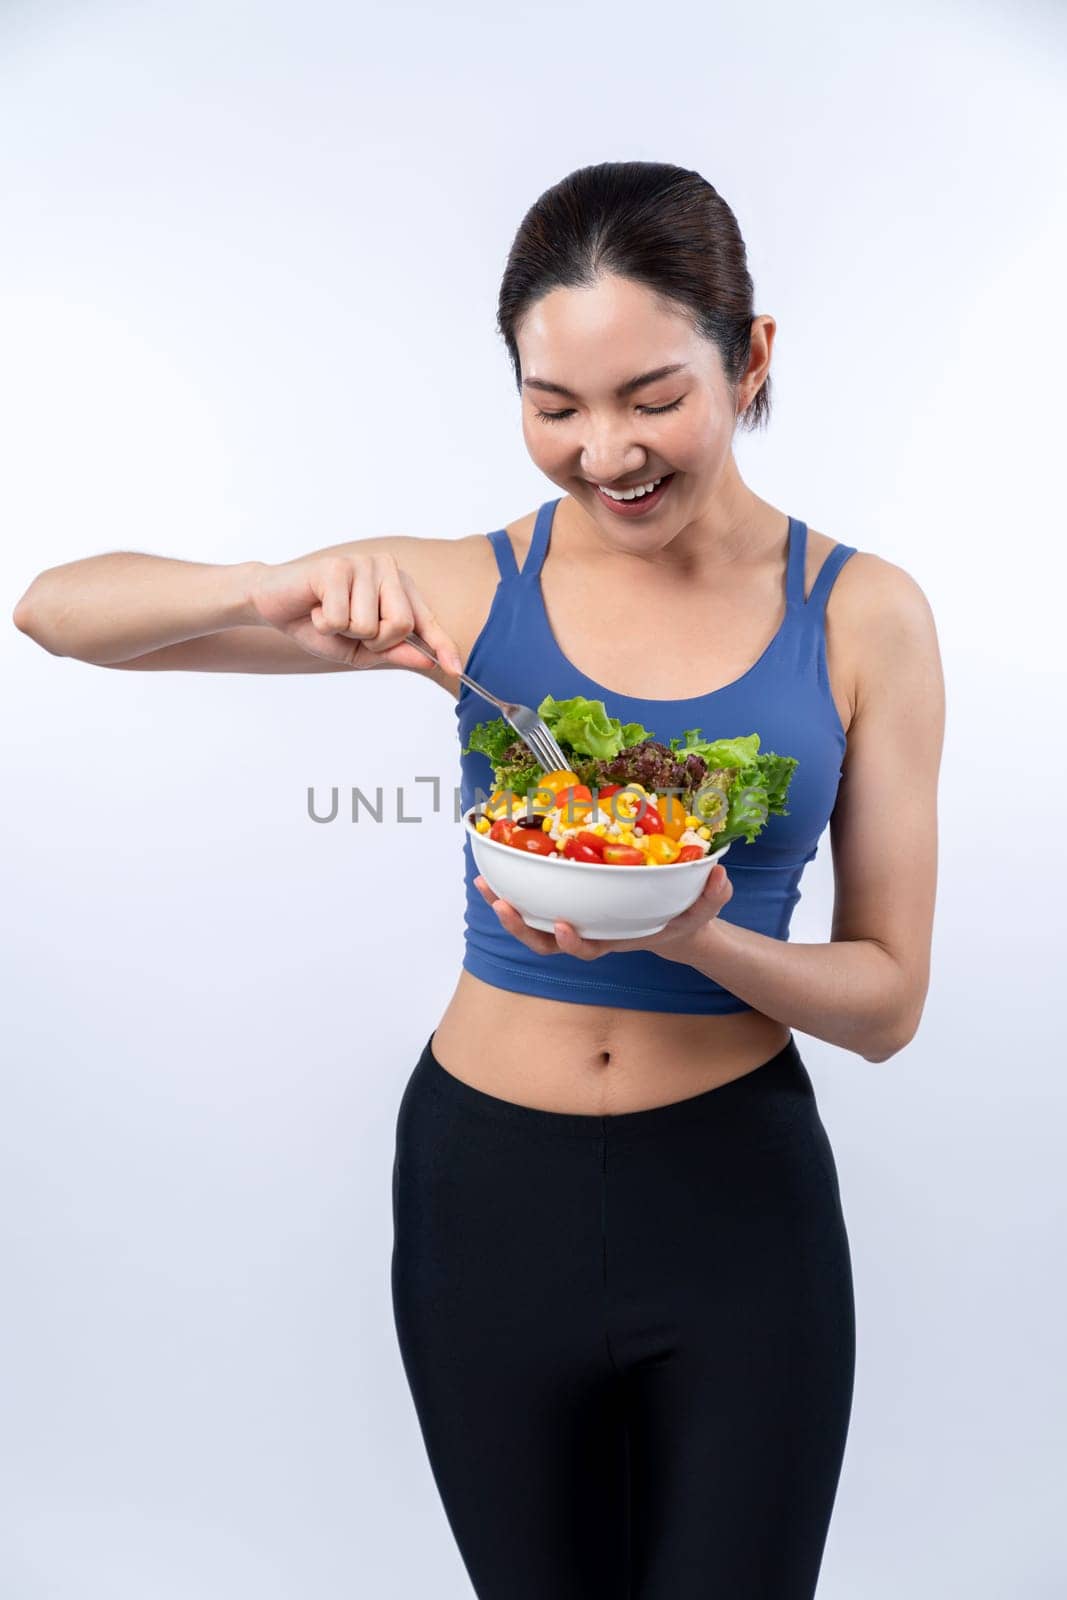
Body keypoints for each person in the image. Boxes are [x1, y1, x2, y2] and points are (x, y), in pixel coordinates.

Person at [13, 160, 944, 1598]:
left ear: (752, 356)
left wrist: (705, 941)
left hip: (736, 1201)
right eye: (553, 406)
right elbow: (56, 612)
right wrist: (259, 588)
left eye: (652, 396)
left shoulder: (862, 615)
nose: (603, 453)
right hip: (483, 1188)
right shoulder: (462, 594)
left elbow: (886, 1001)